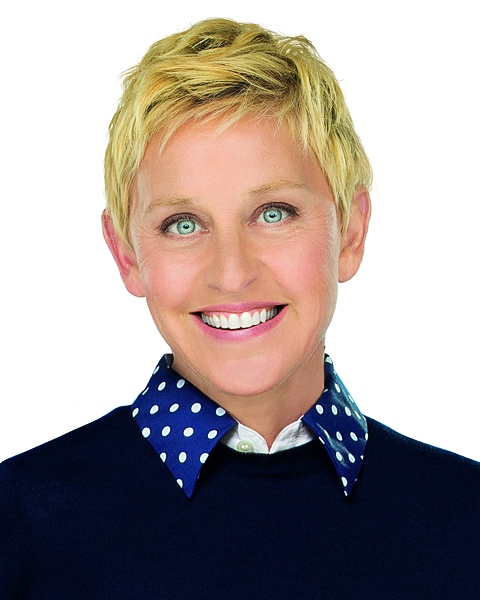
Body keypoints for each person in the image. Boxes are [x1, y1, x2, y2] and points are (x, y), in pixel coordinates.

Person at [1, 17, 479, 599]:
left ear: (351, 233)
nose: (232, 273)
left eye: (274, 214)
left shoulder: (465, 517)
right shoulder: (22, 520)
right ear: (126, 254)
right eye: (183, 224)